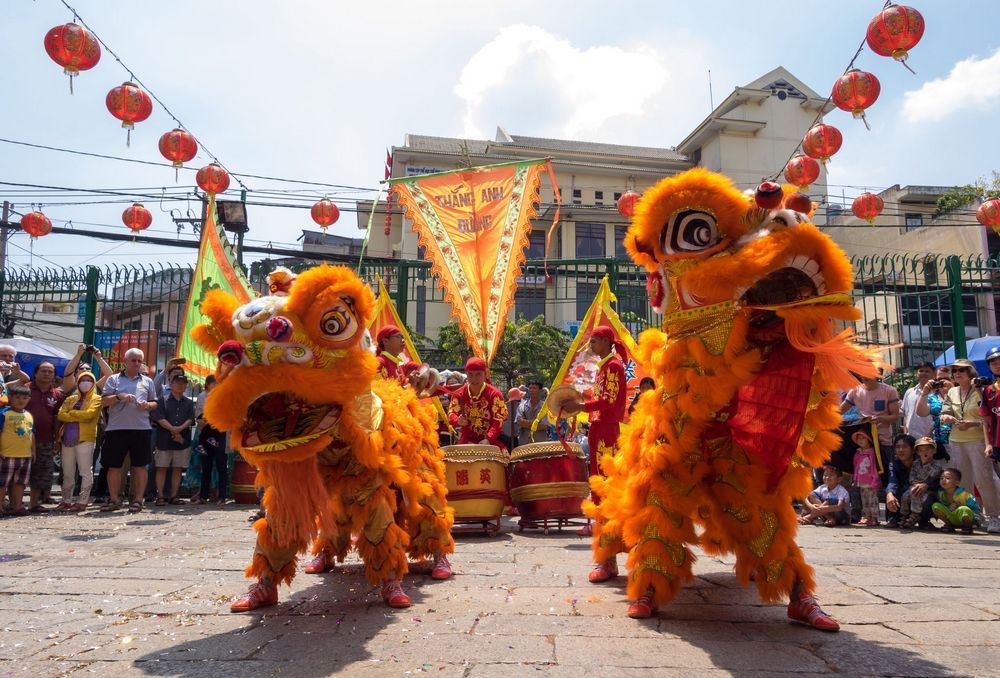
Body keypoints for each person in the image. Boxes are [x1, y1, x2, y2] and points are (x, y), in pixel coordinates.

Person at [560, 326, 629, 542]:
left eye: (595, 341)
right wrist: (582, 397)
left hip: (607, 428)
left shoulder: (613, 366)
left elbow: (608, 401)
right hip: (599, 427)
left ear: (608, 342)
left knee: (604, 476)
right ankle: (599, 521)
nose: (591, 345)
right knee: (597, 475)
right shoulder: (604, 367)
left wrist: (580, 406)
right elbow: (600, 397)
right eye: (591, 342)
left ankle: (607, 521)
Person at [940, 358, 1000, 533]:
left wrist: (971, 423)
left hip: (977, 439)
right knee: (963, 481)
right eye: (955, 371)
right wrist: (947, 417)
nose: (958, 373)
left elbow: (986, 415)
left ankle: (994, 516)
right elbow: (945, 411)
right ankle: (971, 515)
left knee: (984, 479)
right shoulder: (952, 391)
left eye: (962, 370)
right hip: (956, 439)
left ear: (970, 373)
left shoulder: (982, 390)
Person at [99, 348, 157, 513]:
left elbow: (155, 403)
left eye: (140, 361)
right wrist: (120, 397)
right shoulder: (113, 379)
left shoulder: (148, 381)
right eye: (134, 360)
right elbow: (103, 402)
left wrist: (147, 405)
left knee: (140, 466)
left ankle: (138, 499)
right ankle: (114, 499)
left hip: (141, 429)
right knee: (114, 466)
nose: (137, 363)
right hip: (117, 429)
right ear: (125, 361)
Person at [55, 370, 101, 511]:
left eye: (89, 380)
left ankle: (82, 501)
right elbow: (61, 415)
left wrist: (71, 413)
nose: (85, 383)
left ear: (93, 383)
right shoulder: (70, 399)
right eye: (82, 380)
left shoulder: (97, 398)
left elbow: (90, 414)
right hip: (67, 439)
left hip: (85, 439)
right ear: (78, 382)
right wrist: (78, 415)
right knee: (68, 471)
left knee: (85, 471)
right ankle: (66, 500)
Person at [842, 372, 900, 480]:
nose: (864, 376)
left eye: (868, 373)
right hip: (863, 442)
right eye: (862, 372)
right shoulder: (855, 391)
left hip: (883, 441)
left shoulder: (889, 391)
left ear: (877, 375)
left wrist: (880, 419)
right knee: (864, 475)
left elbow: (895, 416)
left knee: (884, 475)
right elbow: (839, 411)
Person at [26, 362, 65, 513]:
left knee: (42, 472)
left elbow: (57, 419)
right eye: (43, 371)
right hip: (21, 440)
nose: (47, 374)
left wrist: (57, 440)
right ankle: (13, 504)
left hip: (46, 439)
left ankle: (34, 504)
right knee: (18, 472)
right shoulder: (24, 389)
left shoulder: (57, 395)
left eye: (50, 371)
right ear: (35, 373)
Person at [152, 374, 195, 506]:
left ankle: (174, 495)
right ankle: (160, 496)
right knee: (161, 467)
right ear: (171, 384)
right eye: (177, 382)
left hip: (182, 440)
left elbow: (190, 419)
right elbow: (159, 418)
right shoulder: (162, 400)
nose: (180, 385)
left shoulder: (188, 402)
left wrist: (179, 429)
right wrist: (173, 429)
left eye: (183, 383)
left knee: (178, 468)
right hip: (164, 439)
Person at [447, 358, 507, 449]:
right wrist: (457, 420)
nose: (474, 379)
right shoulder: (459, 394)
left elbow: (499, 420)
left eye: (478, 374)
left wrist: (488, 439)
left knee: (504, 461)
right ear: (466, 374)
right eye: (470, 374)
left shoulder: (495, 394)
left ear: (485, 374)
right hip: (466, 440)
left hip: (491, 441)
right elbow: (451, 413)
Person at [192, 375, 228, 506]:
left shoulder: (224, 395)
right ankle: (203, 496)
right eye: (213, 383)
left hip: (220, 434)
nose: (216, 386)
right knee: (206, 466)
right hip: (206, 434)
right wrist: (204, 420)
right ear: (207, 384)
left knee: (221, 466)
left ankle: (223, 496)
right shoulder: (202, 396)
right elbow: (200, 415)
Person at [0, 385, 35, 517]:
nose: (21, 400)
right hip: (6, 455)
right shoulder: (4, 414)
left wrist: (33, 451)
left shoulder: (29, 415)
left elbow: (32, 434)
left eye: (24, 398)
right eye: (17, 397)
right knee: (2, 483)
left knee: (20, 483)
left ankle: (17, 506)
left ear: (29, 399)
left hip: (25, 456)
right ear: (10, 398)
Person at [899, 437, 942, 529]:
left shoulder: (936, 464)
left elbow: (933, 475)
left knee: (916, 494)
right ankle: (904, 515)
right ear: (918, 453)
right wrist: (913, 482)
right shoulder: (916, 463)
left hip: (929, 490)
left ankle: (915, 515)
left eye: (927, 450)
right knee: (905, 496)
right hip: (915, 485)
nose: (924, 452)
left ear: (934, 451)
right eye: (921, 450)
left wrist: (926, 463)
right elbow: (912, 474)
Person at [932, 468, 982, 534]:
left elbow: (976, 509)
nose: (943, 480)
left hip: (965, 517)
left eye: (947, 478)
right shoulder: (941, 493)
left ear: (957, 483)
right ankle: (949, 525)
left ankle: (968, 527)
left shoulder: (965, 495)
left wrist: (960, 506)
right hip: (952, 517)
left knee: (963, 509)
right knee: (935, 506)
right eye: (941, 478)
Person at [916, 373, 954, 459]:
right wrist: (925, 392)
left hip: (959, 439)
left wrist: (952, 389)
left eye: (946, 378)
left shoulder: (959, 393)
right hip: (941, 441)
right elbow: (921, 413)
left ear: (953, 379)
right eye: (939, 379)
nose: (942, 381)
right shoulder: (933, 398)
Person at [978, 346, 1000, 489]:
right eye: (993, 363)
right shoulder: (989, 391)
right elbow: (985, 420)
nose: (997, 365)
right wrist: (988, 444)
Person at [850, 427, 881, 527]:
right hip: (861, 481)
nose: (860, 440)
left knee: (873, 500)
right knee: (865, 500)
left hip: (870, 481)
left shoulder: (872, 453)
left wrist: (875, 479)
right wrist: (855, 479)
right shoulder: (857, 453)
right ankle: (867, 516)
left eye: (863, 438)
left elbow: (874, 467)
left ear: (868, 440)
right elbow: (856, 467)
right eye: (859, 438)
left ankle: (874, 518)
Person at [900, 362, 935, 439]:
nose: (923, 373)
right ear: (917, 373)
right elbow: (906, 414)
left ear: (933, 374)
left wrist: (932, 434)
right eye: (921, 371)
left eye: (927, 371)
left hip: (929, 438)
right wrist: (905, 433)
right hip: (910, 438)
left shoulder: (936, 393)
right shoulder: (909, 392)